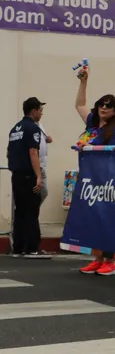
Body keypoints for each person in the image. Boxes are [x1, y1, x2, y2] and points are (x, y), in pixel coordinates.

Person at [75, 93, 115, 276]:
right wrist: (83, 82)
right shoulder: (93, 124)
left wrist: (91, 148)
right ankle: (97, 259)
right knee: (93, 220)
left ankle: (110, 262)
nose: (104, 108)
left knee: (107, 221)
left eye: (109, 106)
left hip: (108, 181)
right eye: (101, 105)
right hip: (91, 180)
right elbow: (79, 105)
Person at [7, 97, 49, 259]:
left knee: (19, 211)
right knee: (31, 211)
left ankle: (18, 247)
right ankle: (32, 247)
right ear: (33, 111)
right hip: (28, 174)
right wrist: (38, 176)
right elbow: (33, 152)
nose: (42, 113)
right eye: (40, 110)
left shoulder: (15, 129)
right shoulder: (33, 128)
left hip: (16, 175)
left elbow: (9, 152)